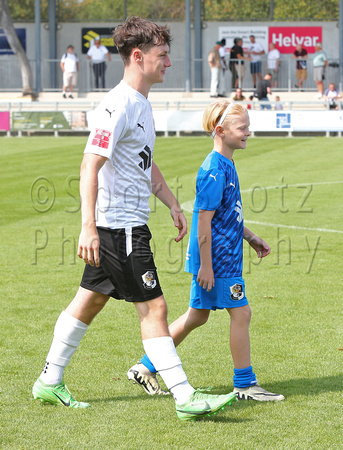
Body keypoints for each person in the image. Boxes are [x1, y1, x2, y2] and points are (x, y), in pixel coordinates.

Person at [32, 16, 237, 422]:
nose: (169, 63)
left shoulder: (141, 104)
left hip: (126, 224)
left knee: (88, 302)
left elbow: (144, 163)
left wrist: (173, 205)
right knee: (154, 308)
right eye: (163, 56)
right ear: (138, 56)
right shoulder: (118, 103)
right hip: (119, 227)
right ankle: (185, 396)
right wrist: (88, 227)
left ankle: (49, 380)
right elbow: (90, 165)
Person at [127, 100, 285, 403]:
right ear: (220, 130)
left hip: (221, 257)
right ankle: (245, 385)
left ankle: (145, 366)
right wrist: (207, 266)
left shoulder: (225, 163)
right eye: (243, 128)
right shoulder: (214, 169)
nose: (248, 133)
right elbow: (203, 222)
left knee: (196, 317)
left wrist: (249, 236)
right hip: (218, 261)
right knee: (242, 314)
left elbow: (227, 215)